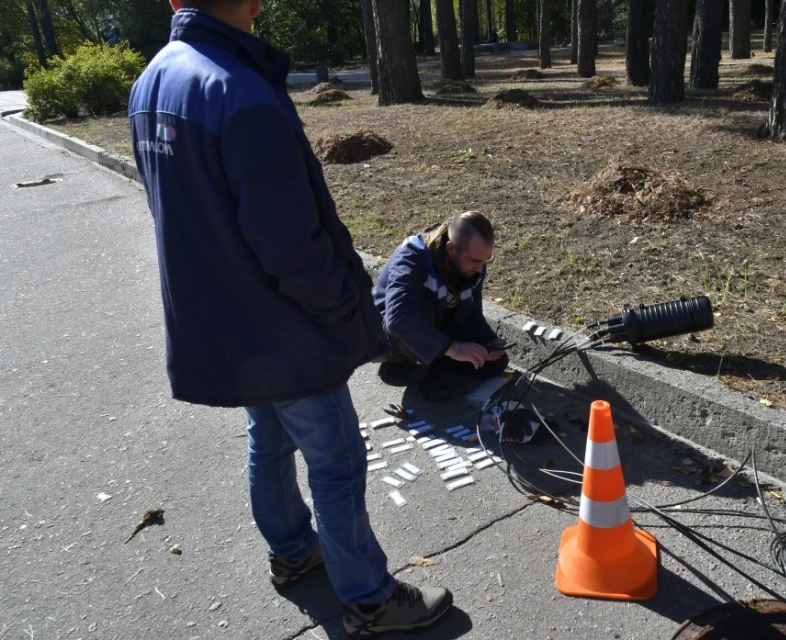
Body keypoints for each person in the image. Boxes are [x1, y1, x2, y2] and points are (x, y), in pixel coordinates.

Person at [128, 0, 452, 635]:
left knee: (269, 441)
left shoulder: (153, 80)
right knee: (335, 460)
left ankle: (293, 552)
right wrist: (342, 313)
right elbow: (289, 243)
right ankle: (370, 598)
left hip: (227, 324)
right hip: (283, 326)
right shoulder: (239, 91)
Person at [374, 211, 508, 401]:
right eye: (475, 260)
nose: (481, 268)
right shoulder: (412, 258)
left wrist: (487, 342)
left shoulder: (473, 266)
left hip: (434, 327)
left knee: (496, 363)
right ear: (452, 248)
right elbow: (399, 319)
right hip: (387, 333)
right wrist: (453, 349)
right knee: (420, 310)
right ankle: (422, 371)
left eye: (485, 260)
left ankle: (423, 361)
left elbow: (471, 313)